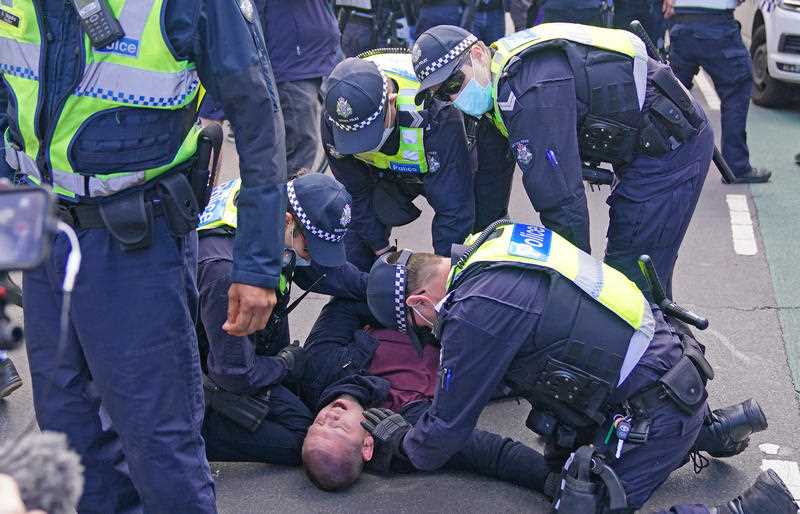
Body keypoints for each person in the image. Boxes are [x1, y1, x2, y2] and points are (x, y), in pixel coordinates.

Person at [2, 1, 286, 512]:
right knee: (67, 428)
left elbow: (258, 118)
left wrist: (258, 264)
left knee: (157, 440)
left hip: (134, 247)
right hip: (44, 234)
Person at [361, 221, 790, 514]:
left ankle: (751, 506)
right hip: (668, 363)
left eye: (422, 330)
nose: (431, 337)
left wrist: (401, 444)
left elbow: (448, 427)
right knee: (560, 442)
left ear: (419, 303)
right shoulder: (494, 240)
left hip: (653, 403)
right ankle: (711, 428)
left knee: (586, 502)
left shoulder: (473, 311)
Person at [410, 24, 713, 298]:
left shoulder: (530, 91)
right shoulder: (493, 85)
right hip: (639, 145)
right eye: (441, 96)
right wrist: (467, 268)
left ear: (477, 53)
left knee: (629, 282)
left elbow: (562, 205)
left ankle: (666, 354)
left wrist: (573, 294)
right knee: (633, 277)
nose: (452, 99)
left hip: (671, 149)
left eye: (452, 85)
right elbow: (488, 193)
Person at [196, 172, 366, 465]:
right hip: (196, 365)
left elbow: (328, 272)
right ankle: (190, 433)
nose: (312, 259)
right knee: (300, 438)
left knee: (299, 402)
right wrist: (285, 365)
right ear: (288, 221)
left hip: (226, 337)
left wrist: (387, 287)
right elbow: (235, 374)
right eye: (309, 249)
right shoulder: (226, 272)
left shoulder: (265, 199)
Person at [298, 297, 550, 492]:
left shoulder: (319, 367)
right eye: (339, 429)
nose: (329, 417)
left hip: (419, 305)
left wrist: (411, 314)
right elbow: (490, 454)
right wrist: (552, 481)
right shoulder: (407, 428)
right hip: (477, 347)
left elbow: (345, 305)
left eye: (317, 424)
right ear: (367, 446)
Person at [322, 50, 475, 271]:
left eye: (371, 132)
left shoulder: (435, 110)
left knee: (472, 235)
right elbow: (356, 191)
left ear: (391, 103)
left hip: (441, 150)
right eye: (356, 138)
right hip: (381, 171)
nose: (365, 145)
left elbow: (454, 208)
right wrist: (381, 251)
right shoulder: (335, 117)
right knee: (354, 238)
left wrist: (440, 277)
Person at [665, 0, 771, 183]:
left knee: (672, 94)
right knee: (737, 87)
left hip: (681, 21)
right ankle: (736, 165)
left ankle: (660, 163)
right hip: (717, 23)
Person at [261, 0, 342, 176]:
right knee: (300, 155)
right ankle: (289, 200)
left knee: (350, 130)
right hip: (291, 62)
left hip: (326, 54)